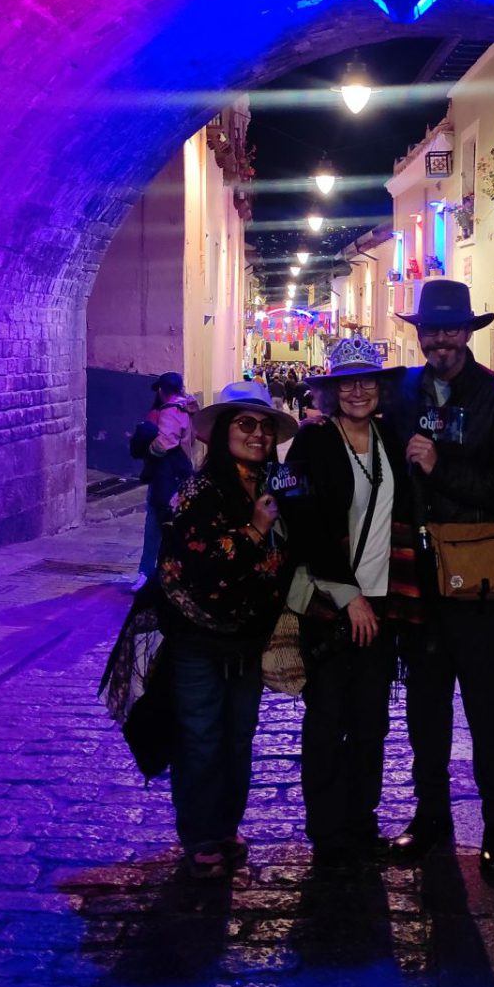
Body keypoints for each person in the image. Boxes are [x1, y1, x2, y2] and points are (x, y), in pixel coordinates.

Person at [386, 281, 494, 873]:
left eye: (450, 329)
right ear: (419, 334)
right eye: (431, 330)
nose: (440, 340)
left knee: (486, 705)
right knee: (425, 707)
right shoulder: (401, 393)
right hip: (417, 576)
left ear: (468, 333)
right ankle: (431, 815)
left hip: (477, 579)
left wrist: (440, 466)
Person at [155, 382, 297, 879]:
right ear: (222, 433)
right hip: (199, 639)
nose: (257, 435)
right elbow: (199, 569)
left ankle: (226, 824)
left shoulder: (273, 485)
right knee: (200, 739)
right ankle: (200, 834)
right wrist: (255, 530)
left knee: (238, 738)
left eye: (265, 426)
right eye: (245, 424)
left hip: (248, 638)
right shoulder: (199, 491)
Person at [280, 336, 409, 868]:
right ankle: (328, 829)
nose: (358, 391)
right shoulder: (313, 443)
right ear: (331, 391)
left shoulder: (390, 437)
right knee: (329, 715)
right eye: (346, 382)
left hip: (384, 602)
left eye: (367, 380)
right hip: (332, 605)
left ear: (380, 388)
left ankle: (362, 818)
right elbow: (303, 525)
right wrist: (349, 593)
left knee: (372, 719)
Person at [129, 372, 196, 593]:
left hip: (166, 476)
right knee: (180, 525)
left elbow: (164, 442)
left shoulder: (169, 410)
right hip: (183, 473)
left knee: (155, 525)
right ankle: (178, 574)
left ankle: (147, 573)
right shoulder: (189, 407)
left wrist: (147, 449)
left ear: (161, 390)